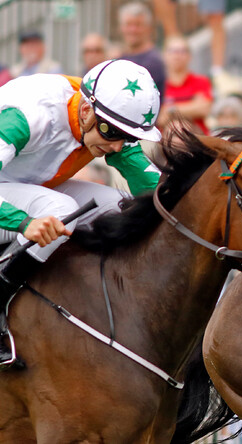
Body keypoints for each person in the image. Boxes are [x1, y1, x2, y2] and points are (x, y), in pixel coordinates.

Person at [0, 59, 162, 367]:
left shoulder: (107, 116)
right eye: (113, 133)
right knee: (61, 210)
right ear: (86, 110)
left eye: (128, 136)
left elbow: (155, 187)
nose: (118, 146)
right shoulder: (29, 114)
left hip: (17, 186)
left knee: (122, 206)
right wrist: (23, 222)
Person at [159, 37, 213, 134]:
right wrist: (191, 108)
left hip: (198, 138)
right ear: (164, 55)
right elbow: (160, 119)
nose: (177, 55)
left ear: (190, 56)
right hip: (165, 140)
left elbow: (203, 109)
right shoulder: (158, 85)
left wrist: (170, 110)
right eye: (173, 51)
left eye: (182, 51)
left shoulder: (201, 81)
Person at [118, 2, 166, 97]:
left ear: (149, 28)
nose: (133, 30)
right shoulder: (119, 58)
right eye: (128, 24)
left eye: (138, 25)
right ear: (121, 27)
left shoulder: (153, 61)